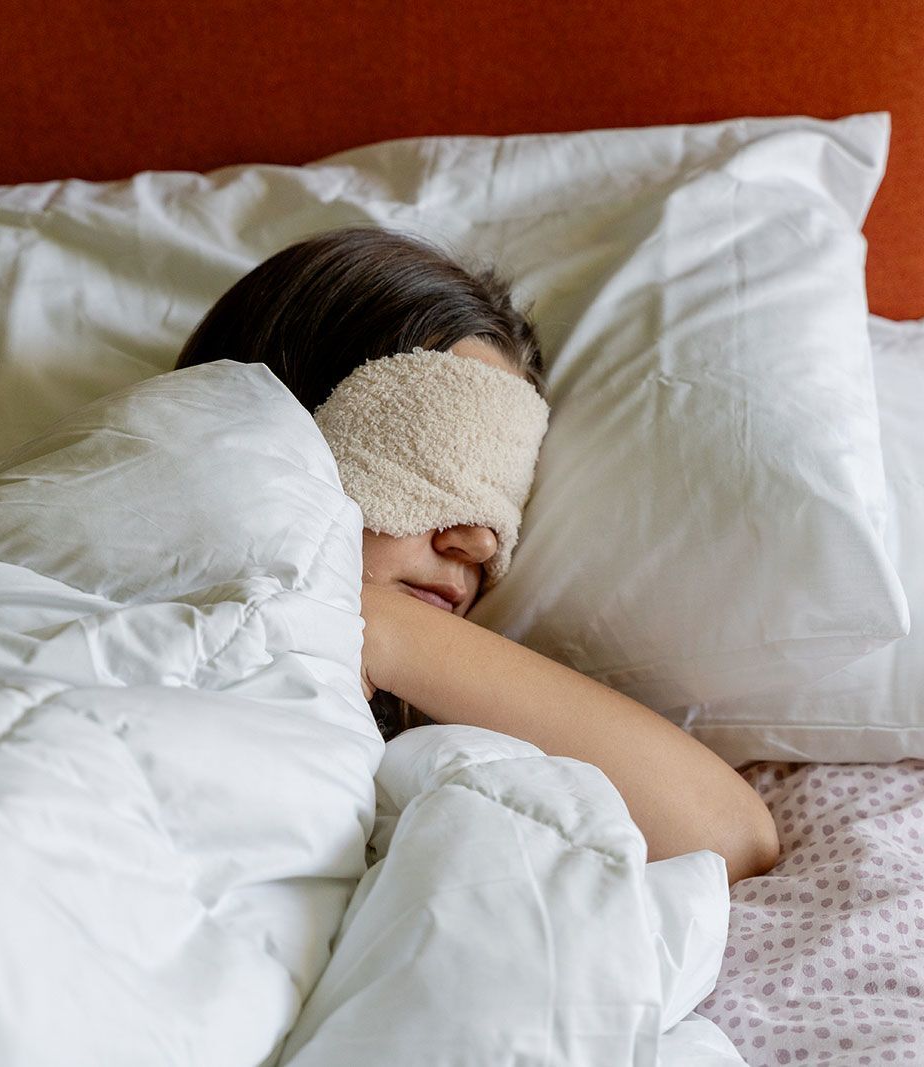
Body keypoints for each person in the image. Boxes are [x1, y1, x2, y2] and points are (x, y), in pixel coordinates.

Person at [176, 227, 779, 881]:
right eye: (430, 462)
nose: (482, 543)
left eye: (501, 499)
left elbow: (733, 840)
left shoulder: (423, 717)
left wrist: (383, 627)